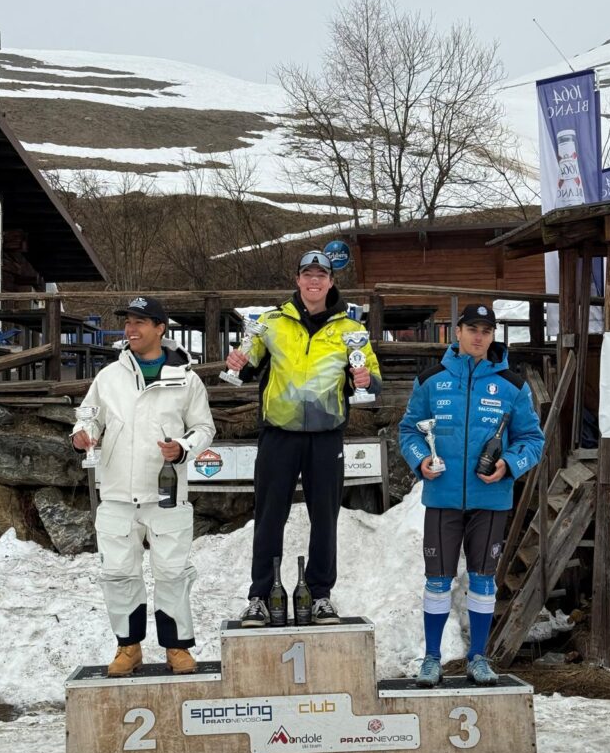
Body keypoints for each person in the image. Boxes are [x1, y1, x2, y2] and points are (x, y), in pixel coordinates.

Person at [226, 250, 382, 627]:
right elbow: (247, 367)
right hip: (278, 434)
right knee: (269, 518)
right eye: (307, 274)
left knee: (325, 519)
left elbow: (373, 379)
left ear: (331, 282)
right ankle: (261, 596)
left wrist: (365, 380)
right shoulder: (271, 322)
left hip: (326, 437)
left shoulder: (350, 329)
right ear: (297, 280)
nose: (314, 281)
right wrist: (238, 363)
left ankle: (320, 595)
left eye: (321, 275)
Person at [399, 303, 544, 686]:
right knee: (437, 581)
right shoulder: (431, 379)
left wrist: (509, 464)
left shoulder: (513, 385)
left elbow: (533, 439)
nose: (479, 337)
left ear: (492, 336)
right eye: (473, 329)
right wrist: (421, 460)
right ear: (458, 332)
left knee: (483, 580)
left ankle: (478, 658)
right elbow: (409, 431)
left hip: (490, 501)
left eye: (486, 331)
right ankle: (432, 659)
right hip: (442, 499)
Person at [72, 295, 215, 677]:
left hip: (166, 495)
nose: (130, 329)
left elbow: (204, 428)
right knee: (119, 575)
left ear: (160, 329)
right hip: (117, 494)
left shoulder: (187, 378)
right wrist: (83, 433)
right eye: (128, 322)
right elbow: (88, 417)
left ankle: (177, 648)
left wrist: (182, 447)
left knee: (172, 574)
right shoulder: (108, 377)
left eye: (139, 322)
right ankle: (128, 647)